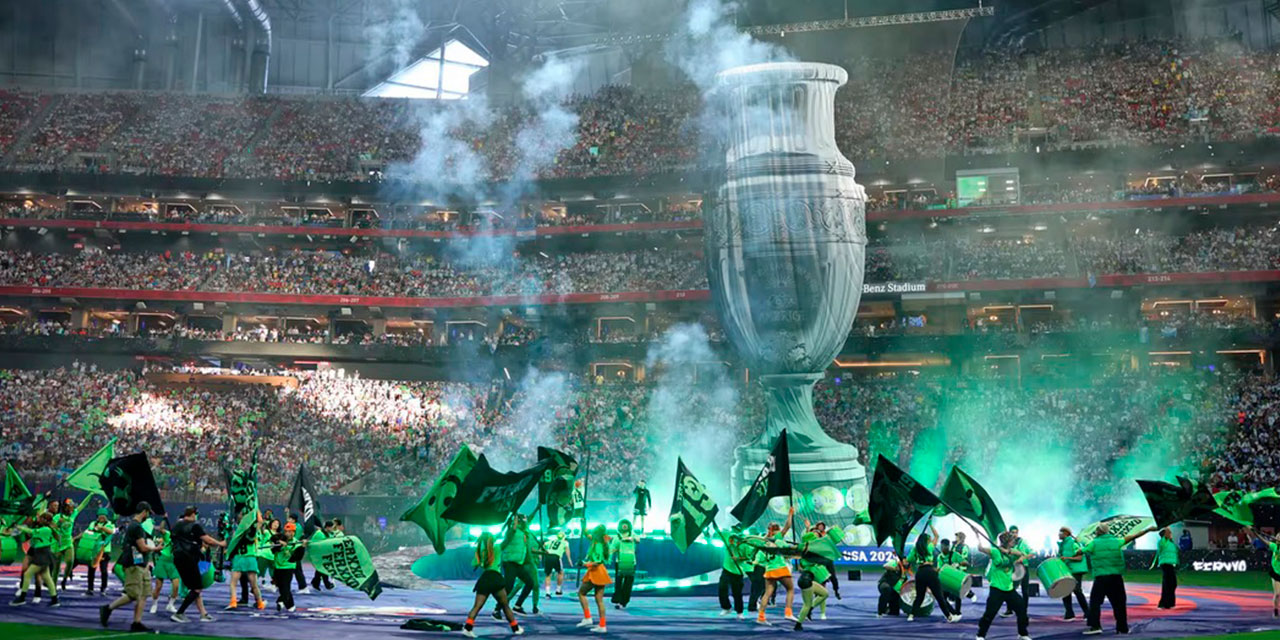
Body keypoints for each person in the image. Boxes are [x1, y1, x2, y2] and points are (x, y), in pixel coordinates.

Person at [99, 502, 164, 632]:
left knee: (144, 593)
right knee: (134, 594)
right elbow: (142, 547)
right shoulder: (136, 527)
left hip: (141, 563)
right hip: (134, 564)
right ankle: (108, 608)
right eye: (148, 513)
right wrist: (156, 548)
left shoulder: (134, 526)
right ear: (144, 511)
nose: (148, 516)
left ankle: (137, 622)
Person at [1083, 522, 1156, 635]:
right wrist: (1148, 529)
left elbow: (1080, 552)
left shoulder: (1093, 543)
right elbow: (1134, 536)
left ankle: (1095, 625)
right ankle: (1122, 628)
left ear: (1098, 531)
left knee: (1095, 602)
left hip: (1101, 577)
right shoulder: (1117, 541)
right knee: (1119, 603)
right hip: (1116, 577)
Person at [170, 506, 227, 624]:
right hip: (189, 559)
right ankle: (179, 613)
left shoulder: (176, 525)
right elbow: (209, 540)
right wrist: (220, 543)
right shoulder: (194, 526)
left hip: (178, 558)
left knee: (195, 588)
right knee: (196, 588)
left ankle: (203, 614)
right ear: (193, 514)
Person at [462, 532, 523, 638]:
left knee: (476, 607)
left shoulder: (480, 552)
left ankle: (468, 628)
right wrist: (512, 528)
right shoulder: (497, 548)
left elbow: (474, 563)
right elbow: (508, 538)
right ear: (491, 540)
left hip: (485, 579)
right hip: (495, 578)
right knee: (505, 606)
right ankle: (515, 628)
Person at [975, 531, 1032, 640]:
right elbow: (980, 548)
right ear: (1007, 542)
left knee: (1021, 609)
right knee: (990, 614)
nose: (1014, 541)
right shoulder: (995, 551)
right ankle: (980, 635)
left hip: (1009, 588)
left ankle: (1022, 634)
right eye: (1012, 540)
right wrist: (977, 535)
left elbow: (1021, 554)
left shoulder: (1012, 551)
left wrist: (1008, 551)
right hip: (996, 588)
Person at [905, 525, 961, 623]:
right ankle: (949, 617)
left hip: (920, 572)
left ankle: (911, 615)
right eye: (929, 539)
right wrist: (930, 524)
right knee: (939, 596)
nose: (931, 540)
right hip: (930, 571)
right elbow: (937, 536)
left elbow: (907, 561)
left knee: (919, 596)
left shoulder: (915, 549)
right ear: (927, 540)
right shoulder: (929, 547)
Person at [8, 511, 61, 608]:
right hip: (42, 554)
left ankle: (22, 598)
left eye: (41, 518)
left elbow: (31, 532)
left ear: (45, 520)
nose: (39, 519)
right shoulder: (45, 528)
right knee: (47, 578)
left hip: (42, 555)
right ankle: (55, 600)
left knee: (27, 574)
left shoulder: (45, 529)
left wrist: (18, 527)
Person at [756, 506, 798, 626]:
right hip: (780, 568)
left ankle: (761, 617)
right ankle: (788, 612)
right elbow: (788, 526)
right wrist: (790, 514)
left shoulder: (763, 542)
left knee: (767, 593)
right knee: (790, 590)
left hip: (769, 570)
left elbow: (759, 561)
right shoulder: (778, 538)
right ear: (776, 530)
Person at [492, 514, 539, 617]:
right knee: (508, 586)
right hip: (509, 562)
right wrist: (515, 520)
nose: (525, 524)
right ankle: (497, 609)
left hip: (519, 563)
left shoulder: (524, 533)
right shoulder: (512, 532)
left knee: (530, 583)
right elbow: (511, 532)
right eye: (523, 522)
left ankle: (518, 606)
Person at [225, 511, 265, 611]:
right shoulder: (253, 530)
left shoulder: (237, 531)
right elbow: (260, 521)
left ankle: (233, 602)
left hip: (240, 558)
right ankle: (260, 603)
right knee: (254, 585)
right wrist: (256, 510)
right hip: (251, 558)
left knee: (233, 583)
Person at [576, 524, 611, 633]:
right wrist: (583, 525)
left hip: (596, 572)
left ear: (596, 534)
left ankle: (587, 618)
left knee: (581, 593)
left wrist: (584, 564)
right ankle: (602, 625)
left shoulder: (597, 545)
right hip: (601, 572)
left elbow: (597, 562)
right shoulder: (598, 541)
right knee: (599, 600)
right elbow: (588, 535)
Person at [55, 495, 92, 591]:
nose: (72, 508)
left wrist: (90, 494)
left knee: (70, 562)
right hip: (57, 544)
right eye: (70, 506)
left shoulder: (73, 514)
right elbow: (51, 527)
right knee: (56, 567)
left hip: (68, 543)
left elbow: (82, 505)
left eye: (72, 506)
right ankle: (53, 585)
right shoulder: (58, 516)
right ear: (65, 507)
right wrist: (57, 524)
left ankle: (64, 580)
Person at [1245, 527, 1280, 618]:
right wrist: (1255, 533)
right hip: (1276, 573)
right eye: (1278, 537)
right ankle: (1276, 611)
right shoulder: (1274, 546)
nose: (1278, 538)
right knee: (1277, 594)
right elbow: (1263, 540)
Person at [1057, 526, 1090, 620]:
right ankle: (1069, 613)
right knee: (1065, 591)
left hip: (1075, 570)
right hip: (1067, 570)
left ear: (1066, 533)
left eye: (1060, 532)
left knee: (1077, 590)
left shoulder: (1073, 543)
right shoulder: (1063, 544)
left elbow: (1080, 557)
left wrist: (1067, 558)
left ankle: (1087, 612)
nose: (1058, 534)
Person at [717, 527, 751, 619]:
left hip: (738, 571)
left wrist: (738, 558)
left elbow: (748, 557)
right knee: (722, 588)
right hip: (727, 568)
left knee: (737, 593)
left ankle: (739, 612)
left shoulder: (745, 543)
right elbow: (716, 535)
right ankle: (726, 607)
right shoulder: (728, 536)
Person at [149, 518, 181, 615]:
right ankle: (154, 604)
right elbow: (161, 528)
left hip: (174, 562)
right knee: (158, 586)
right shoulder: (168, 534)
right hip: (163, 560)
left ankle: (170, 605)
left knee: (176, 585)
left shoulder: (183, 538)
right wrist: (163, 518)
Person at [270, 528, 304, 613]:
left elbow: (297, 557)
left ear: (294, 533)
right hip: (278, 566)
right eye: (286, 531)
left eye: (290, 532)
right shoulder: (280, 537)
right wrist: (279, 542)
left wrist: (302, 547)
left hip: (289, 566)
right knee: (281, 587)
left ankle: (281, 601)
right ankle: (290, 606)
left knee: (286, 586)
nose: (288, 533)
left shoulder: (296, 542)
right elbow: (273, 546)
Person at [1001, 525, 1032, 617]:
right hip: (1012, 568)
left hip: (1023, 567)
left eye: (1015, 532)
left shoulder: (1023, 542)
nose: (1014, 534)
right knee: (1010, 589)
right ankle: (1009, 609)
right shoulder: (1009, 543)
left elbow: (1032, 553)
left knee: (1025, 590)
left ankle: (1024, 611)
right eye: (1012, 532)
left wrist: (1023, 558)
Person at [610, 519, 640, 609]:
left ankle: (624, 601)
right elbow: (612, 549)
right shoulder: (617, 537)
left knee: (628, 582)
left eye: (626, 524)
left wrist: (632, 538)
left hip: (631, 562)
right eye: (623, 524)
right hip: (619, 562)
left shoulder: (633, 534)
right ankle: (618, 600)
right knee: (619, 582)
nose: (624, 525)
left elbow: (638, 540)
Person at [85, 509, 116, 596]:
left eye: (103, 515)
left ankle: (103, 588)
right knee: (91, 570)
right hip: (94, 550)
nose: (101, 517)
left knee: (104, 570)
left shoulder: (110, 524)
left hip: (104, 551)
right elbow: (88, 532)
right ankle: (90, 588)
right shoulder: (92, 523)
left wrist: (102, 528)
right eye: (100, 515)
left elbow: (111, 532)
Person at [935, 538, 964, 616]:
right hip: (945, 580)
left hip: (955, 579)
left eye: (944, 547)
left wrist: (958, 564)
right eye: (941, 547)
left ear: (948, 546)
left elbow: (965, 562)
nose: (942, 548)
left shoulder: (955, 554)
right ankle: (952, 611)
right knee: (942, 598)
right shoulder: (940, 557)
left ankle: (957, 612)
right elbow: (939, 568)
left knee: (958, 595)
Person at [1154, 527, 1179, 609]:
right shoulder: (1162, 542)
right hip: (1165, 564)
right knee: (1168, 584)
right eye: (1169, 533)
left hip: (1170, 564)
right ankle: (1165, 603)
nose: (1170, 534)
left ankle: (1169, 603)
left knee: (1172, 584)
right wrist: (1167, 527)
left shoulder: (1170, 543)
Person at [542, 528, 571, 598]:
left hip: (548, 556)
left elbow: (543, 545)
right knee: (560, 572)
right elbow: (567, 551)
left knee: (548, 575)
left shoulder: (551, 541)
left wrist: (542, 554)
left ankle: (547, 592)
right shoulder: (565, 542)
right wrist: (569, 560)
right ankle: (558, 590)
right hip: (556, 557)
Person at [310, 520, 337, 590]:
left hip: (325, 555)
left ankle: (315, 583)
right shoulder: (319, 534)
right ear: (327, 527)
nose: (332, 529)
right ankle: (326, 584)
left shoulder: (330, 534)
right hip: (319, 555)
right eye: (331, 527)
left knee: (320, 570)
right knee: (323, 569)